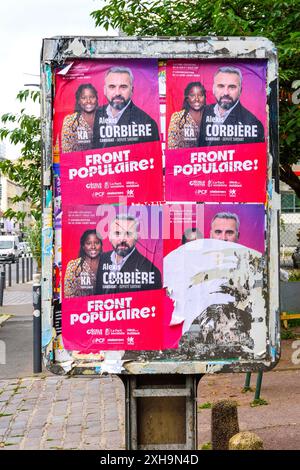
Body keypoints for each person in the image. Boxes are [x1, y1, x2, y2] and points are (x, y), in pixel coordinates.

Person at [92, 66, 160, 149]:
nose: (117, 93)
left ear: (132, 90)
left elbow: (153, 159)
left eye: (123, 87)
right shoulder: (95, 114)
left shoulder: (148, 123)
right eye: (112, 87)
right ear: (105, 90)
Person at [95, 215, 162, 294]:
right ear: (109, 236)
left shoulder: (151, 271)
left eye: (128, 234)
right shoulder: (99, 260)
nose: (122, 239)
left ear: (136, 237)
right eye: (117, 233)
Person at [198, 66, 265, 146]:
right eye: (221, 86)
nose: (226, 93)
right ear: (213, 89)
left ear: (240, 91)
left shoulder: (253, 124)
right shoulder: (203, 111)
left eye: (232, 87)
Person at [64, 229, 102, 298]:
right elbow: (68, 296)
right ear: (83, 246)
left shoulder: (108, 264)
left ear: (101, 245)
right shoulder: (74, 266)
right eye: (88, 243)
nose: (93, 247)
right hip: (80, 307)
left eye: (96, 243)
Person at [168, 81, 206, 149]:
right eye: (192, 95)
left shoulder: (211, 116)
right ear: (187, 98)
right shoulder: (177, 117)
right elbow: (172, 147)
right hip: (183, 159)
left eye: (200, 95)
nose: (196, 99)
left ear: (205, 97)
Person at [61, 84, 98, 153]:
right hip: (78, 162)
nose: (88, 101)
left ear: (96, 99)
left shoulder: (105, 117)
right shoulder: (70, 121)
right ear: (78, 101)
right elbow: (67, 152)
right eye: (84, 98)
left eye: (92, 97)